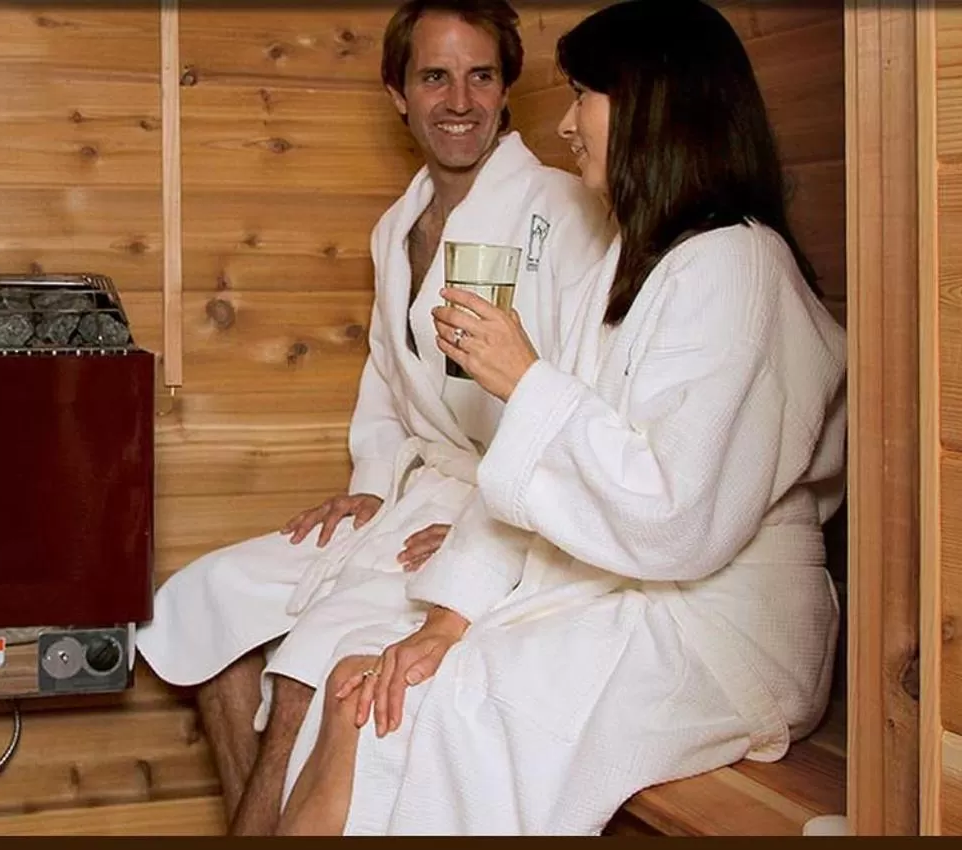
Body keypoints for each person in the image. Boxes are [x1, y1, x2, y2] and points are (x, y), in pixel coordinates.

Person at [274, 0, 848, 835]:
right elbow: (528, 479)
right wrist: (448, 616)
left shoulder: (739, 269)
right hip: (625, 591)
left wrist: (526, 379)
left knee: (426, 710)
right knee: (360, 684)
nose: (569, 124)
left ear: (650, 107)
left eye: (585, 97)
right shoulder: (633, 258)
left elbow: (680, 521)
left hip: (723, 636)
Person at [132, 0, 611, 836]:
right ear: (399, 92)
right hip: (413, 492)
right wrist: (371, 485)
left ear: (507, 90)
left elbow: (580, 399)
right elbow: (387, 386)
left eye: (481, 75)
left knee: (303, 674)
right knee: (203, 599)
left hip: (494, 512)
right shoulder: (397, 228)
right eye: (435, 76)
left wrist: (495, 526)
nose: (459, 99)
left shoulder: (566, 212)